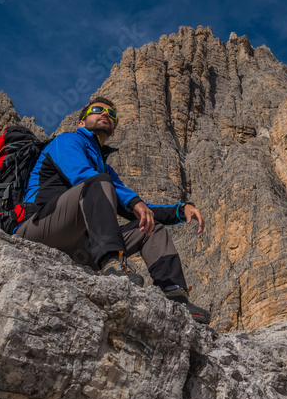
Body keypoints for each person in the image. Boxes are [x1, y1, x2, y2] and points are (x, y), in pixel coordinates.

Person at [14, 96, 210, 324]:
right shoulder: (67, 141)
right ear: (81, 123)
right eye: (97, 110)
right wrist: (132, 200)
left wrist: (179, 210)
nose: (105, 114)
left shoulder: (103, 169)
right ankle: (112, 266)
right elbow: (81, 175)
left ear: (114, 131)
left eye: (111, 114)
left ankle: (176, 295)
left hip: (81, 246)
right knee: (99, 182)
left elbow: (136, 209)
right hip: (39, 229)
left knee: (151, 228)